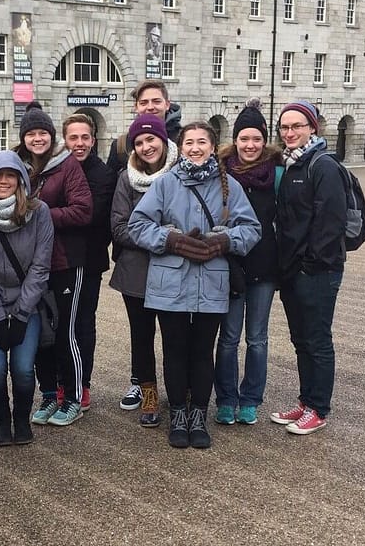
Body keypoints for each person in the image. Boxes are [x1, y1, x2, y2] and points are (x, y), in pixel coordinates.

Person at [128, 122, 261, 449]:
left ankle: (198, 414)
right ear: (181, 147)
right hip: (170, 280)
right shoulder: (164, 184)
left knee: (202, 351)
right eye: (189, 142)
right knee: (174, 350)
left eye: (202, 142)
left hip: (211, 280)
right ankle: (178, 414)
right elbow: (137, 225)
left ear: (213, 147)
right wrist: (170, 239)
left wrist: (222, 241)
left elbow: (251, 228)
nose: (196, 148)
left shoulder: (229, 185)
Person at [272, 101, 347, 436]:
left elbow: (330, 225)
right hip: (292, 269)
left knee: (317, 339)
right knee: (300, 339)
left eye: (297, 126)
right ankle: (306, 401)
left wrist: (309, 266)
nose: (290, 132)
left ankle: (319, 407)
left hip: (316, 270)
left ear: (312, 128)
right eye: (285, 127)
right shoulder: (291, 166)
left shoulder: (323, 166)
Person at [106, 79, 183, 409]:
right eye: (140, 141)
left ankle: (179, 392)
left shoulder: (181, 168)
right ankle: (145, 391)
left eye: (152, 138)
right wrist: (162, 236)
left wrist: (164, 236)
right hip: (135, 270)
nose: (146, 146)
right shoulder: (126, 174)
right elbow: (118, 225)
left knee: (175, 335)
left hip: (173, 269)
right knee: (141, 335)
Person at [15, 103, 92, 427]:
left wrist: (40, 212)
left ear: (51, 136)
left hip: (64, 261)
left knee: (65, 333)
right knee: (41, 335)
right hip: (32, 264)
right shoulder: (17, 166)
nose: (37, 138)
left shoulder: (67, 165)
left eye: (42, 133)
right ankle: (48, 396)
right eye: (31, 133)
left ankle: (73, 397)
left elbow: (82, 210)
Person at [0, 151, 54, 444]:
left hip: (26, 303)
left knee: (22, 369)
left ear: (20, 179)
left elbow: (41, 267)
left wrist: (19, 315)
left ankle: (21, 417)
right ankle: (1, 421)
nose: (3, 181)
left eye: (9, 175)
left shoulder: (39, 212)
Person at [214, 101, 284, 426]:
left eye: (256, 138)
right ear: (235, 140)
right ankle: (226, 398)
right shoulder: (221, 171)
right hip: (231, 264)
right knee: (228, 337)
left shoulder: (277, 174)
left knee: (257, 337)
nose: (250, 145)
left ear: (264, 140)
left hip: (265, 267)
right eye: (244, 138)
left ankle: (251, 398)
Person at [61, 113, 116, 410]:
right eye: (73, 137)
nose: (79, 144)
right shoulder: (57, 167)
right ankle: (62, 382)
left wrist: (55, 215)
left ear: (93, 141)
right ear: (65, 139)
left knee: (83, 323)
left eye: (84, 138)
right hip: (57, 259)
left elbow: (92, 217)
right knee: (59, 324)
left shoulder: (103, 174)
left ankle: (82, 383)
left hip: (88, 259)